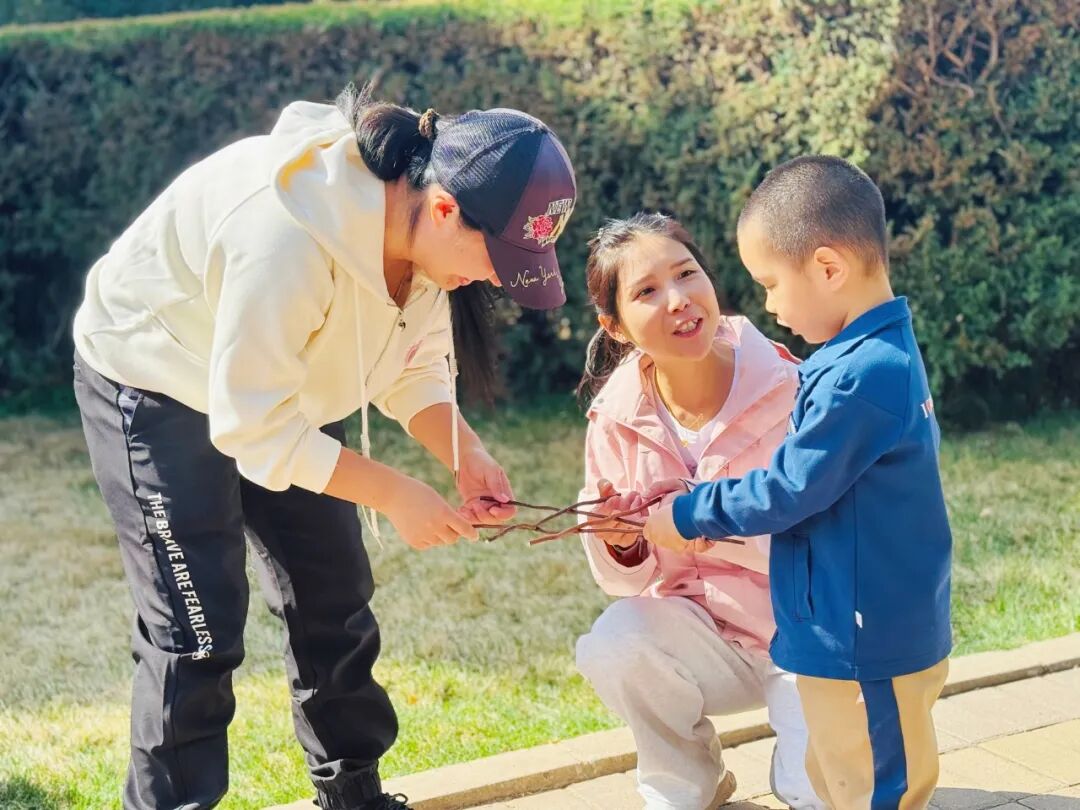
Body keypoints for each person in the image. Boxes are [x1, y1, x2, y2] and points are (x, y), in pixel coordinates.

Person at [71, 83, 577, 810]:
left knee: (333, 592)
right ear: (443, 209)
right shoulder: (286, 236)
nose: (498, 276)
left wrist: (462, 451)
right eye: (497, 255)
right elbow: (254, 429)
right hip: (155, 376)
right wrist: (396, 492)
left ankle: (353, 796)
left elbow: (411, 365)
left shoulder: (423, 237)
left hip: (279, 387)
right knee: (197, 628)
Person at [645, 156, 953, 810]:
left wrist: (692, 512)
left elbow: (789, 489)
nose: (767, 304)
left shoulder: (861, 376)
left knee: (877, 790)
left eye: (770, 283)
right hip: (849, 631)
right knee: (841, 778)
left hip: (867, 643)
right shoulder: (865, 357)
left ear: (828, 268)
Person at [573, 213, 823, 810]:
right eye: (647, 291)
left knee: (816, 794)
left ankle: (814, 761)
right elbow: (620, 582)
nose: (679, 299)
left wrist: (706, 521)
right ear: (615, 326)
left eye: (686, 274)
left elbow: (831, 532)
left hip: (808, 630)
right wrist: (623, 542)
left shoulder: (793, 388)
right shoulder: (614, 419)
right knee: (616, 641)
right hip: (706, 640)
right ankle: (688, 782)